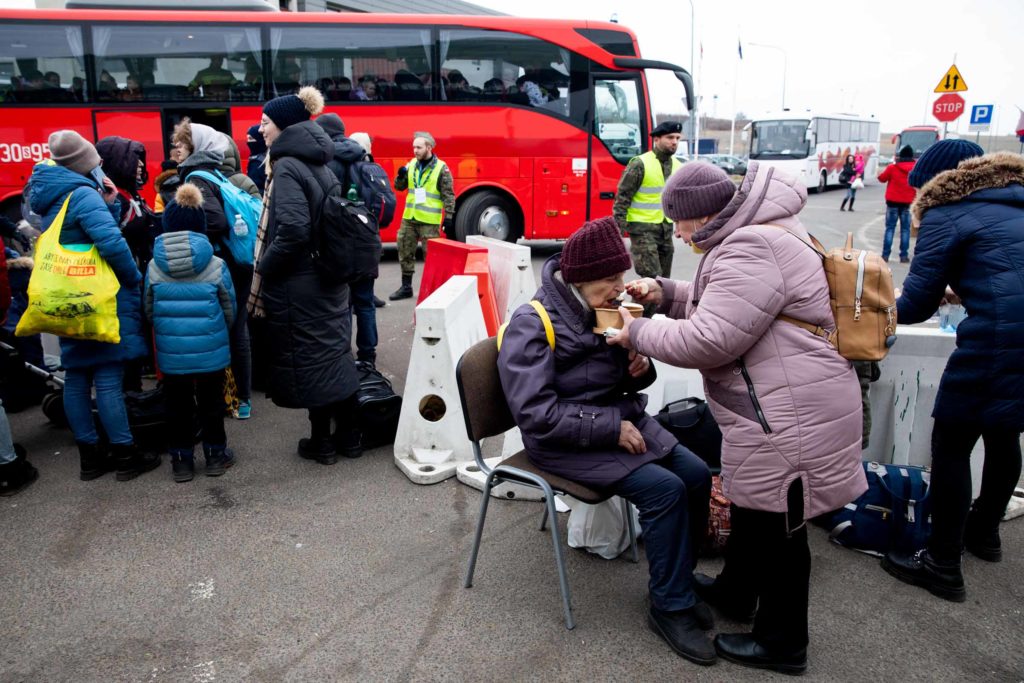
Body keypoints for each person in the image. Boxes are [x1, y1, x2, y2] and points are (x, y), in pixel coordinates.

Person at [610, 161, 866, 675]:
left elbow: (711, 337)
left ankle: (782, 643)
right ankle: (736, 593)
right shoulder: (759, 228)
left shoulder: (753, 246)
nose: (678, 235)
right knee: (754, 509)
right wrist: (666, 291)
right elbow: (732, 306)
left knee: (781, 531)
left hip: (787, 412)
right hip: (782, 403)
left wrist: (634, 333)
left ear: (701, 217)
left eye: (679, 224)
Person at [498, 216, 714, 665]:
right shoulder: (532, 322)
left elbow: (620, 379)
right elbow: (535, 415)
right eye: (611, 278)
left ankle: (681, 579)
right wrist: (609, 427)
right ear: (580, 277)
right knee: (664, 491)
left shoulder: (601, 308)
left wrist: (640, 364)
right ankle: (668, 607)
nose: (620, 287)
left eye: (621, 275)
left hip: (614, 420)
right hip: (562, 440)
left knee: (695, 475)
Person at [881, 143, 1024, 602]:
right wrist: (967, 291)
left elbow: (916, 303)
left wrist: (872, 308)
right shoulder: (1013, 199)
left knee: (952, 444)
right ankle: (984, 534)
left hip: (997, 340)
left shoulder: (947, 212)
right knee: (1005, 434)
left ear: (938, 180)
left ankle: (942, 562)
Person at [29, 132, 157, 481]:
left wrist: (111, 204)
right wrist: (133, 278)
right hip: (97, 298)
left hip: (67, 296)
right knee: (108, 376)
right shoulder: (82, 194)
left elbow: (78, 236)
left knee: (76, 376)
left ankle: (90, 457)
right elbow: (111, 243)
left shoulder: (52, 194)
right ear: (85, 164)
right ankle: (125, 453)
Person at [248, 86, 362, 464]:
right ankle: (347, 437)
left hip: (302, 284)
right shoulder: (318, 162)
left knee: (313, 361)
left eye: (265, 123)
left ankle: (322, 442)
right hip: (328, 278)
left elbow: (294, 230)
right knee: (335, 354)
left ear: (282, 125)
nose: (261, 129)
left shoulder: (287, 166)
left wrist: (265, 266)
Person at [145, 184, 236, 482]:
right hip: (211, 349)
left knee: (177, 406)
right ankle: (215, 455)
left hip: (171, 353)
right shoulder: (216, 264)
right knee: (212, 403)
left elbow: (148, 308)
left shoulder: (154, 266)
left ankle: (182, 462)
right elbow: (229, 308)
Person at [172, 118, 254, 420]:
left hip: (225, 264)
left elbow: (217, 221)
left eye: (180, 144)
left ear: (196, 147)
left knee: (227, 331)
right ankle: (241, 397)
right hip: (238, 261)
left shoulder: (197, 177)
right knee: (238, 329)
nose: (175, 149)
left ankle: (232, 398)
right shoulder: (216, 174)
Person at [315, 114, 382, 364]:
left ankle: (343, 353)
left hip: (339, 240)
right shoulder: (363, 155)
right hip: (365, 237)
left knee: (342, 302)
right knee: (365, 301)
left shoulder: (328, 161)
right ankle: (368, 354)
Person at [613, 121, 684, 315]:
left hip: (665, 230)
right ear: (657, 139)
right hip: (642, 229)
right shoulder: (640, 163)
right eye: (670, 138)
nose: (674, 142)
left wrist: (680, 226)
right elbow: (622, 198)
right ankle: (634, 323)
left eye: (677, 138)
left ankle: (636, 320)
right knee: (651, 280)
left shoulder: (678, 166)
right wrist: (617, 232)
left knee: (663, 283)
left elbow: (678, 201)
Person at [390, 131, 455, 301]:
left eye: (418, 147)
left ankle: (433, 291)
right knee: (404, 250)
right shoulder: (411, 164)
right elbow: (399, 187)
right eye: (413, 147)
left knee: (432, 258)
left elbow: (448, 194)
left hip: (429, 221)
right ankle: (406, 287)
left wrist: (449, 217)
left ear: (429, 147)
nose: (415, 151)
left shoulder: (442, 168)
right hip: (409, 218)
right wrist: (400, 176)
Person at [878, 145, 917, 263]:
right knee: (905, 230)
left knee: (890, 228)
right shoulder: (915, 168)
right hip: (908, 203)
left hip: (892, 202)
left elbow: (881, 178)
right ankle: (903, 256)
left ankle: (885, 255)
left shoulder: (892, 168)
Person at [245, 124, 268, 194]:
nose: (248, 142)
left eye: (251, 138)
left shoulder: (256, 163)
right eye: (247, 138)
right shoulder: (267, 156)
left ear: (260, 139)